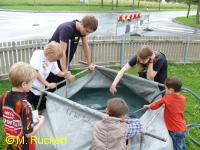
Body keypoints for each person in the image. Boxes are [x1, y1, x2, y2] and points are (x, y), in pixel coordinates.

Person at [0, 62, 45, 150]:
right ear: (24, 84)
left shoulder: (4, 96)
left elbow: (2, 117)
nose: (32, 85)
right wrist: (41, 121)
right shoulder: (25, 105)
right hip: (25, 145)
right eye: (32, 82)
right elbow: (29, 134)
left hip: (10, 141)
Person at [47, 15, 98, 85]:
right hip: (52, 62)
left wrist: (89, 64)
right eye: (87, 31)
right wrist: (66, 73)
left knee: (62, 86)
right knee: (50, 87)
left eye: (89, 33)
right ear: (81, 23)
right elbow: (62, 52)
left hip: (64, 63)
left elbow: (85, 46)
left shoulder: (81, 31)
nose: (87, 34)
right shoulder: (67, 29)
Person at [143, 76, 187, 150]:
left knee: (177, 147)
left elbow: (156, 105)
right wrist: (167, 105)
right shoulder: (183, 98)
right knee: (181, 143)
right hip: (182, 127)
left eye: (166, 88)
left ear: (171, 90)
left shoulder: (167, 98)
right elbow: (175, 106)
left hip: (174, 130)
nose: (165, 90)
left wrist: (149, 106)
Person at [28, 41, 67, 112]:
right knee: (26, 109)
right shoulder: (38, 54)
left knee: (41, 108)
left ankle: (39, 121)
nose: (55, 61)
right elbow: (35, 73)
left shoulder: (53, 60)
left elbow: (57, 72)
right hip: (29, 87)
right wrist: (48, 84)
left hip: (40, 89)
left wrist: (65, 74)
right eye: (54, 59)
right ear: (48, 54)